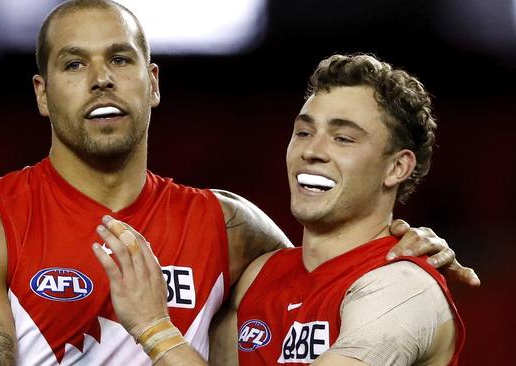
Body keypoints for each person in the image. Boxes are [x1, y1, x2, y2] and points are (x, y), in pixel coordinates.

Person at [0, 0, 477, 364]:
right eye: (73, 65)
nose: (101, 81)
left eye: (120, 58)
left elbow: (332, 274)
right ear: (42, 94)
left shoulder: (229, 226)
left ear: (153, 82)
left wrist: (404, 248)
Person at [95, 54, 468, 365]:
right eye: (304, 132)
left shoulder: (402, 290)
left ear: (396, 167)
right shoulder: (258, 278)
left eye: (343, 138)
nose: (312, 151)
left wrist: (154, 328)